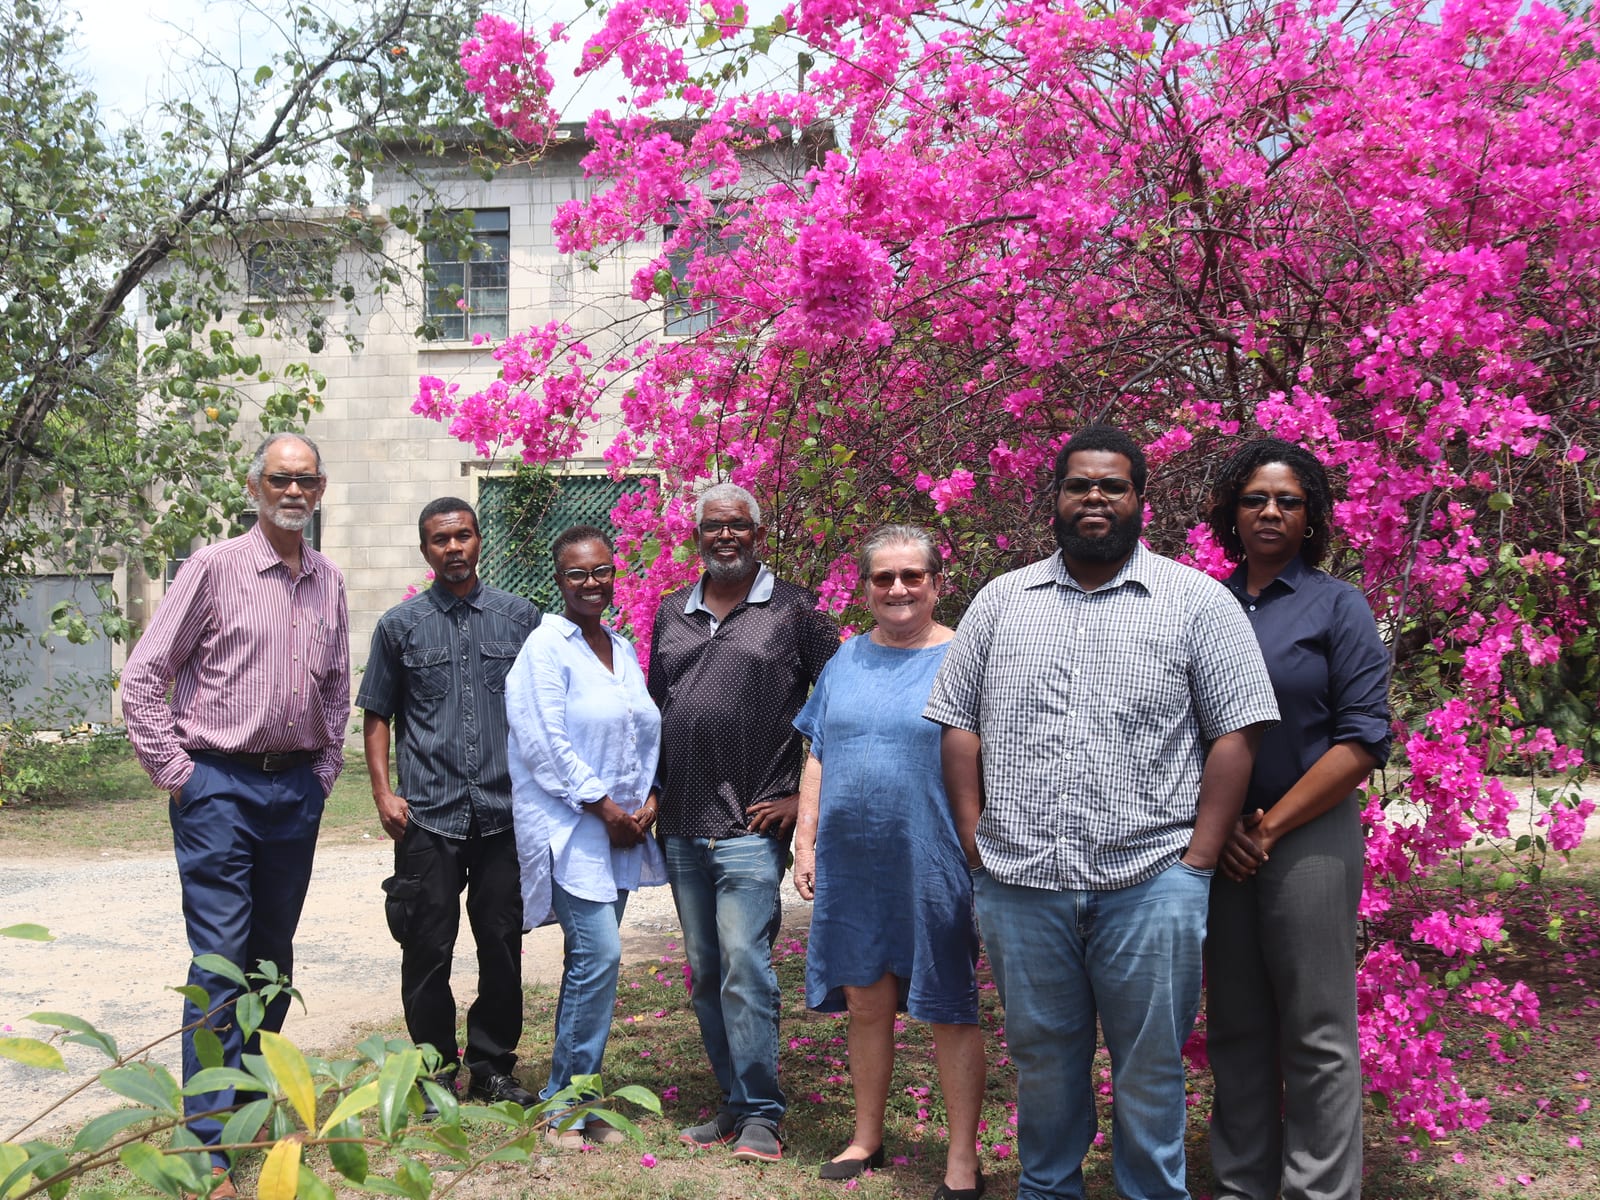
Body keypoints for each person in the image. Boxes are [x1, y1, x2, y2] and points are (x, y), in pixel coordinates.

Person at [923, 423, 1280, 1200]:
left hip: (1152, 882)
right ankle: (1049, 1187)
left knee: (1149, 1063)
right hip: (1022, 882)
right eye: (1078, 484)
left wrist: (1199, 862)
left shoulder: (1196, 603)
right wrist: (971, 834)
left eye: (1111, 486)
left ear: (1138, 500)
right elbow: (959, 722)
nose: (1094, 498)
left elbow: (1235, 734)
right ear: (1053, 499)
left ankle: (1152, 1190)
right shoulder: (1001, 600)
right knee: (1044, 1055)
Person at [121, 432, 350, 1199]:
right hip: (217, 785)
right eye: (281, 479)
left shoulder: (329, 582)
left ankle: (247, 1107)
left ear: (319, 490)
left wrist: (323, 770)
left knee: (272, 965)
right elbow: (145, 673)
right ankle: (207, 1146)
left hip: (295, 791)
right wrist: (178, 773)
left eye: (307, 480)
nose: (294, 491)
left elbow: (337, 688)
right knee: (220, 965)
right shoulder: (214, 569)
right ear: (255, 488)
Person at [1202, 439, 1391, 1200]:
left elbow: (1365, 739)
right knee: (1238, 1029)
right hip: (1218, 842)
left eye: (1287, 501)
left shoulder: (1337, 605)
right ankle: (1246, 1183)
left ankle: (1319, 1189)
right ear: (1231, 513)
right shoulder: (1203, 603)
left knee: (1316, 1031)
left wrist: (1269, 826)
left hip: (1308, 838)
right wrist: (1223, 832)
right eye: (1255, 499)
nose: (1270, 512)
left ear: (1310, 516)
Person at [648, 481, 840, 1164]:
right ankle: (732, 1102)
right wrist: (648, 792)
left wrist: (800, 801)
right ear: (696, 536)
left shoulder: (795, 611)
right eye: (712, 527)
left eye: (739, 527)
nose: (725, 537)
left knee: (744, 968)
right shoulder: (672, 612)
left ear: (759, 535)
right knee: (705, 971)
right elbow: (654, 712)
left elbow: (839, 705)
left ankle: (763, 1113)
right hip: (681, 823)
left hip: (750, 830)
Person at [792, 525, 985, 1197]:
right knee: (865, 999)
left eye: (912, 576)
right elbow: (818, 747)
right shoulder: (845, 658)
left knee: (949, 1006)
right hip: (852, 861)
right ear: (866, 587)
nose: (898, 589)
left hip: (934, 857)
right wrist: (806, 837)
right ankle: (866, 1137)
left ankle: (963, 1159)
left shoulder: (966, 657)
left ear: (937, 582)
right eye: (883, 578)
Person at [357, 497, 540, 1112]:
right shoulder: (399, 627)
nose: (453, 547)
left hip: (503, 815)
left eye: (463, 536)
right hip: (428, 817)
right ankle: (435, 1073)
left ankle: (491, 1068)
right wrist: (384, 791)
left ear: (479, 540)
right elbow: (377, 712)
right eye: (441, 540)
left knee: (501, 947)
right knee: (426, 949)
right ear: (425, 549)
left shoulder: (521, 621)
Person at [505, 525, 668, 1148]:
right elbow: (545, 744)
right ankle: (562, 1105)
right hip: (574, 830)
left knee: (590, 964)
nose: (592, 583)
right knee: (597, 956)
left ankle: (579, 1097)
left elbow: (641, 733)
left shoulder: (622, 648)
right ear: (559, 579)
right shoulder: (544, 649)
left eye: (601, 570)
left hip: (623, 831)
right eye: (578, 573)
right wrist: (605, 809)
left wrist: (648, 800)